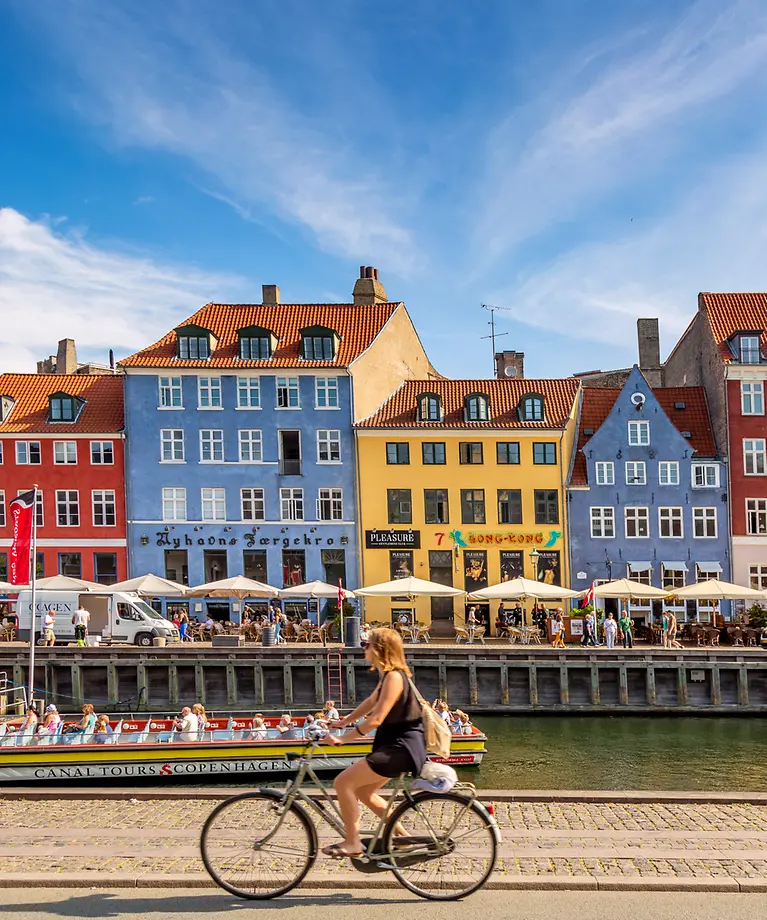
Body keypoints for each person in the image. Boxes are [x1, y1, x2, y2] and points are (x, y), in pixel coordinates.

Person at [322, 628, 426, 858]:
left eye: (366, 644)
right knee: (364, 792)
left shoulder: (394, 677)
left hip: (401, 748)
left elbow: (376, 719)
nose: (363, 648)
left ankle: (353, 843)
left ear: (379, 649)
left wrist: (342, 739)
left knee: (343, 783)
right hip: (396, 747)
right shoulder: (389, 676)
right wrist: (343, 722)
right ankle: (402, 838)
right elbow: (370, 703)